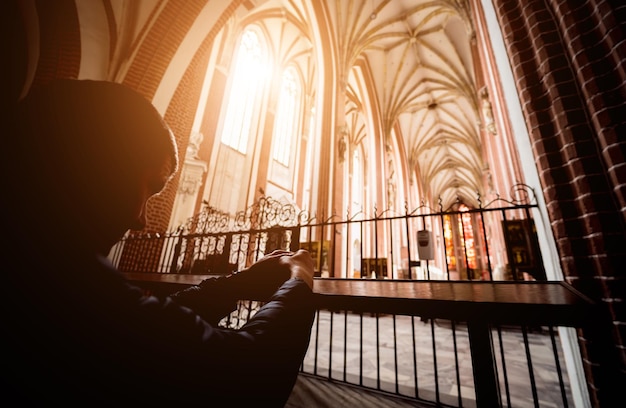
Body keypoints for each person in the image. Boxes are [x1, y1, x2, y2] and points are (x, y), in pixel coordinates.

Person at [1, 79, 316, 406]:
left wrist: (240, 282)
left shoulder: (35, 252)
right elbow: (249, 375)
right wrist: (299, 277)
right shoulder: (59, 276)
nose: (141, 220)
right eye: (148, 187)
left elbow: (145, 327)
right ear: (99, 164)